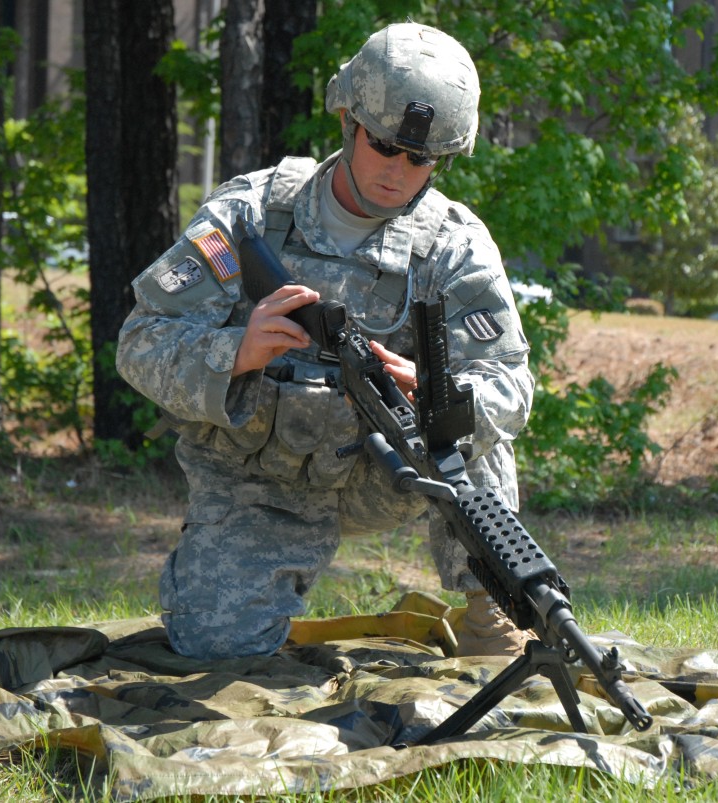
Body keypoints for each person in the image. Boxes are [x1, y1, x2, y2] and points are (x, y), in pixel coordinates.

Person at [116, 22, 534, 661]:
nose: (398, 170)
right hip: (262, 476)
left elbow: (512, 388)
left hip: (387, 470)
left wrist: (439, 389)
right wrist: (236, 353)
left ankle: (493, 608)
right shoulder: (250, 217)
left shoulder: (454, 245)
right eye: (385, 145)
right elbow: (141, 340)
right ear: (349, 120)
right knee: (215, 648)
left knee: (467, 428)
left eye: (420, 158)